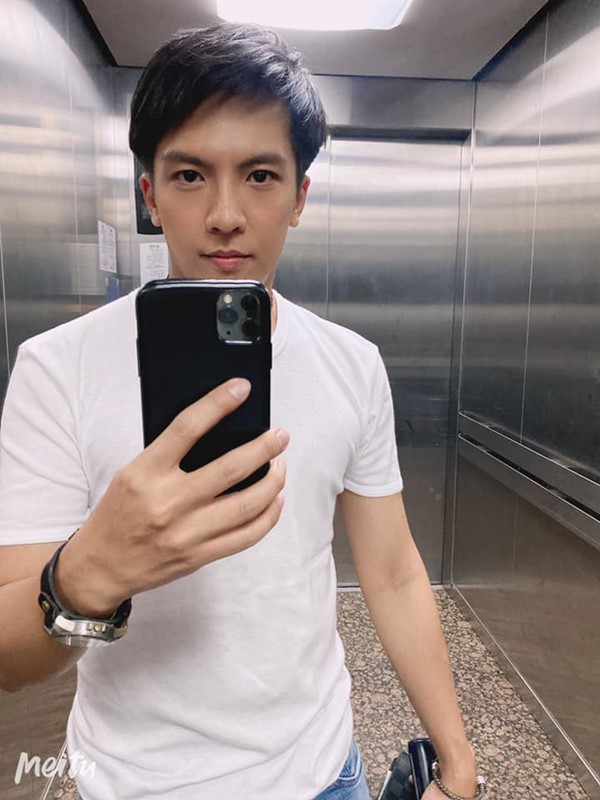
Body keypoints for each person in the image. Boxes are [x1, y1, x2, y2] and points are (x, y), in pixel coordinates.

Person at [0, 23, 483, 800]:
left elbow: (393, 573)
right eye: (190, 175)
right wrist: (90, 570)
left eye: (260, 175)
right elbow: (9, 661)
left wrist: (456, 754)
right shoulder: (58, 367)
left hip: (323, 771)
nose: (225, 214)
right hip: (132, 783)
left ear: (299, 197)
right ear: (150, 195)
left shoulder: (352, 364)